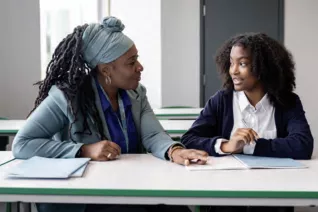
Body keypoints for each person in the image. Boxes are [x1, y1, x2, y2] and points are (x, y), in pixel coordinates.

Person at [12, 16, 208, 212]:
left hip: (129, 186)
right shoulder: (67, 97)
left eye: (137, 58)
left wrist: (175, 151)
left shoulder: (136, 93)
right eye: (131, 62)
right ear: (106, 69)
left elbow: (153, 135)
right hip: (85, 197)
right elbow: (22, 144)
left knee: (178, 208)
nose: (140, 67)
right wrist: (84, 150)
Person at [181, 32, 314, 212]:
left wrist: (247, 146)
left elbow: (303, 145)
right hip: (226, 198)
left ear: (263, 68)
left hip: (274, 197)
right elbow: (189, 139)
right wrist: (227, 146)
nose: (233, 70)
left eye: (242, 64)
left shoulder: (287, 102)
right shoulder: (222, 100)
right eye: (231, 62)